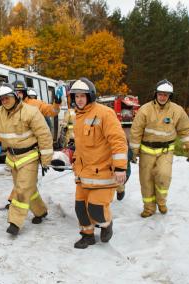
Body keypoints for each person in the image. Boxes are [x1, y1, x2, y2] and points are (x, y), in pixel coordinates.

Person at [0, 83, 53, 236]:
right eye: (2, 99)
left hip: (29, 157)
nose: (5, 101)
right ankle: (40, 212)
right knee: (28, 189)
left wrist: (46, 159)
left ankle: (15, 222)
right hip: (12, 158)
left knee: (21, 190)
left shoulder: (30, 112)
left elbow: (44, 134)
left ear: (15, 96)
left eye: (7, 97)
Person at [69, 78, 128, 249]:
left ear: (91, 96)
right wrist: (73, 158)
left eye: (83, 96)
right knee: (80, 208)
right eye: (76, 96)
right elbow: (81, 144)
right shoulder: (77, 116)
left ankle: (106, 223)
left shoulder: (104, 113)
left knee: (96, 208)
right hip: (83, 171)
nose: (79, 99)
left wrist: (120, 167)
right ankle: (87, 236)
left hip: (103, 171)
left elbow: (118, 141)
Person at [130, 79, 189, 218]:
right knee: (146, 181)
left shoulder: (177, 111)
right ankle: (149, 208)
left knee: (164, 177)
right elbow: (136, 131)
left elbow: (185, 129)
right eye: (160, 94)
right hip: (147, 151)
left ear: (169, 96)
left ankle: (161, 202)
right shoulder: (145, 109)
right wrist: (133, 152)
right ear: (156, 94)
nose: (162, 97)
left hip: (166, 151)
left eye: (166, 94)